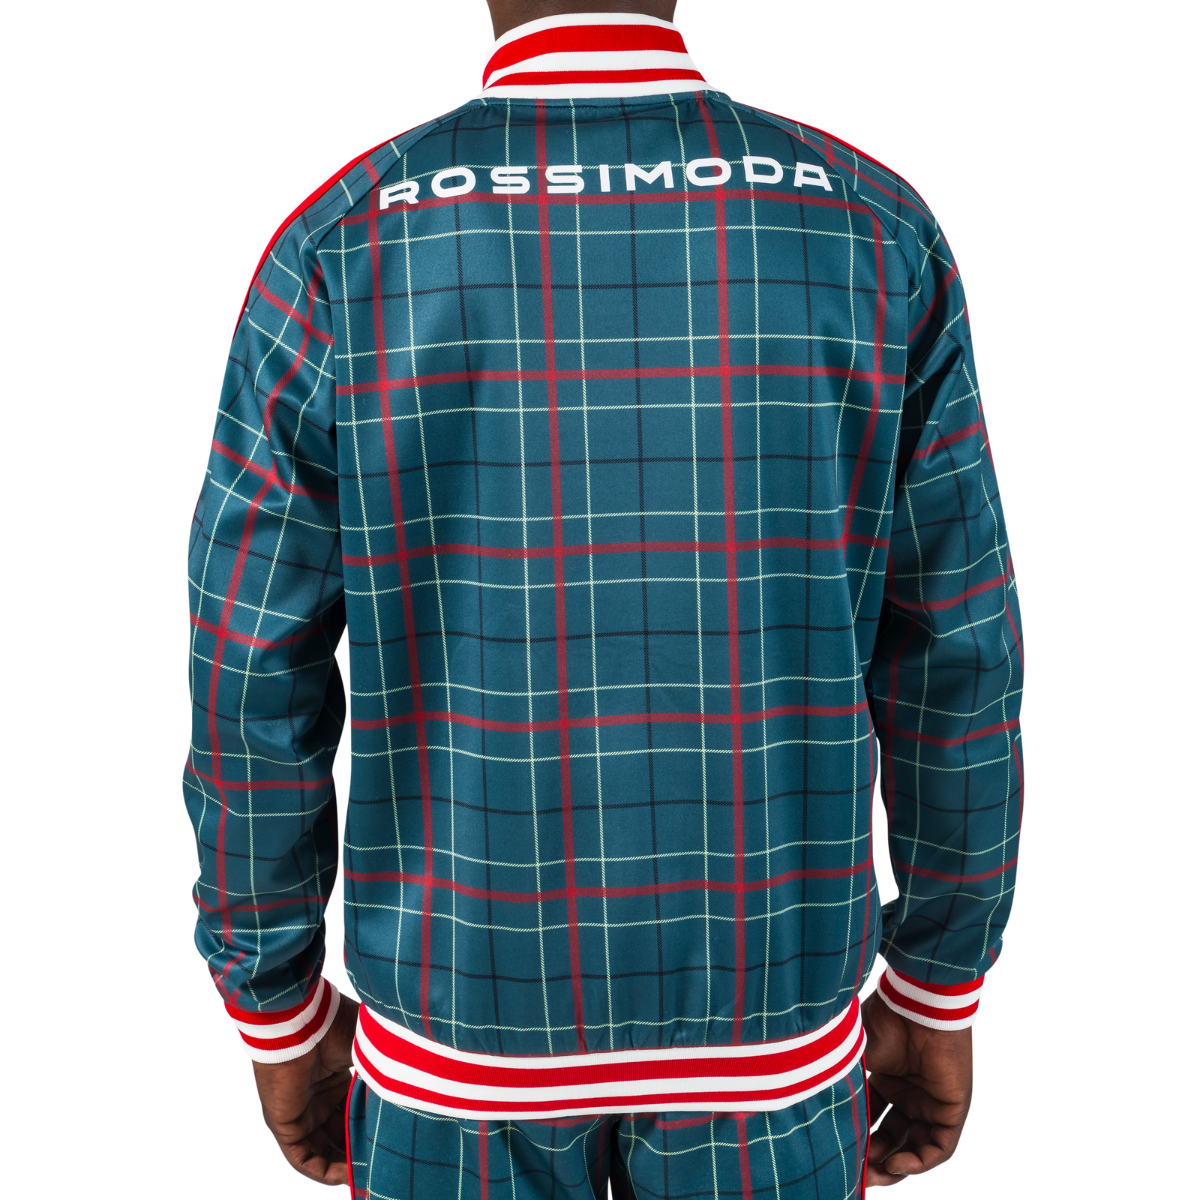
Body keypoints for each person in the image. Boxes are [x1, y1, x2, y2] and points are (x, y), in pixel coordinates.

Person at [182, 2, 1025, 1195]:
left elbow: (247, 665)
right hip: (773, 1050)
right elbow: (962, 652)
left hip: (455, 1052)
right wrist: (937, 982)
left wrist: (274, 1004)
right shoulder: (874, 223)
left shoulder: (340, 233)